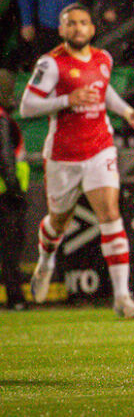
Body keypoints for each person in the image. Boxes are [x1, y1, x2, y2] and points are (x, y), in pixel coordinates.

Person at [19, 3, 134, 317]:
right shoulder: (50, 64)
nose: (77, 28)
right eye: (71, 24)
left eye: (83, 22)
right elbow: (27, 106)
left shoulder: (103, 59)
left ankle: (121, 297)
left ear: (92, 28)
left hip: (99, 148)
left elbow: (104, 93)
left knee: (110, 213)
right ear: (62, 30)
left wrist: (127, 111)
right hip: (63, 155)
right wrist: (66, 100)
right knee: (57, 221)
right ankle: (46, 259)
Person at [0, 69, 29, 310]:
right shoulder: (2, 119)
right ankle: (16, 297)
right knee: (10, 248)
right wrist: (14, 189)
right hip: (5, 195)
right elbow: (6, 157)